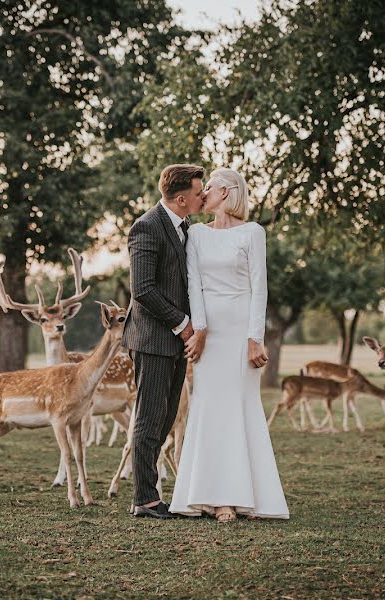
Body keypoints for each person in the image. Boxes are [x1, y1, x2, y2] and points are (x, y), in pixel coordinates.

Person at [169, 167, 289, 522]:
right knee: (209, 409)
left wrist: (256, 339)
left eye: (208, 188)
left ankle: (245, 496)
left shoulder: (253, 233)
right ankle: (214, 499)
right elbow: (194, 287)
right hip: (209, 333)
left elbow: (259, 288)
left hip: (241, 330)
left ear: (227, 191)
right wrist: (199, 330)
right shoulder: (197, 235)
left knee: (240, 408)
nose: (202, 194)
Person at [122, 164, 206, 519]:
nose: (204, 197)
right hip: (154, 339)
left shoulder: (185, 226)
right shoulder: (147, 226)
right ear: (183, 198)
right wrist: (183, 324)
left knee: (167, 416)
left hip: (174, 341)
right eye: (200, 193)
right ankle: (144, 498)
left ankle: (151, 493)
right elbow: (142, 289)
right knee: (150, 418)